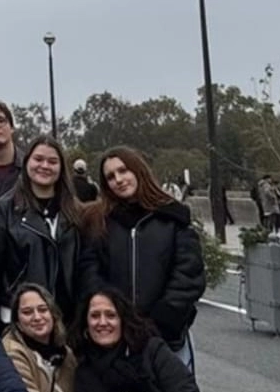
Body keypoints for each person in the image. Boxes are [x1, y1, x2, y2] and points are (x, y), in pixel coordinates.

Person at [80, 146, 205, 372]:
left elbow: (188, 276)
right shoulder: (99, 223)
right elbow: (90, 272)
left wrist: (162, 320)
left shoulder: (173, 218)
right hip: (115, 338)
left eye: (123, 170)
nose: (118, 179)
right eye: (110, 176)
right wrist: (110, 316)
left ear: (138, 170)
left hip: (167, 338)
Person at [70, 289, 213, 392]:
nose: (102, 322)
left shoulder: (153, 352)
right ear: (86, 324)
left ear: (123, 319)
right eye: (95, 316)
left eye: (111, 315)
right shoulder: (84, 374)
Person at [0, 136, 84, 326]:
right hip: (20, 315)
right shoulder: (4, 210)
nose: (45, 166)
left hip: (67, 316)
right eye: (38, 159)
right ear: (27, 162)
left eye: (52, 161)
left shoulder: (75, 211)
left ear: (61, 168)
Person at [1, 283, 79, 392]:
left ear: (53, 314)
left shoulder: (65, 354)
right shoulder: (11, 351)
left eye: (43, 309)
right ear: (17, 322)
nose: (37, 317)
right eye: (27, 312)